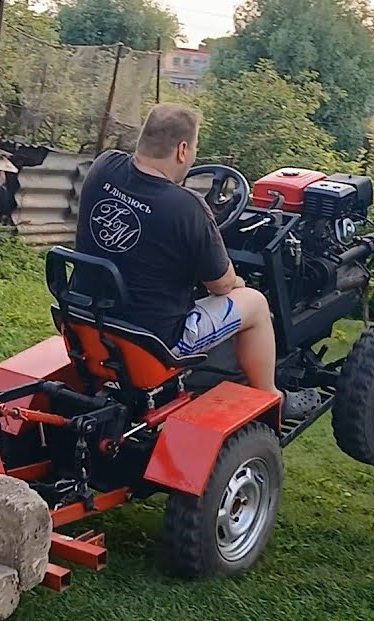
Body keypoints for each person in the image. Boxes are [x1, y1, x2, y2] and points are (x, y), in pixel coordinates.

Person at [72, 102, 319, 419]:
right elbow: (220, 284)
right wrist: (238, 283)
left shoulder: (104, 167)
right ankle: (272, 399)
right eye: (194, 149)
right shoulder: (187, 207)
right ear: (182, 149)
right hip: (153, 342)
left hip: (86, 318)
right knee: (254, 303)